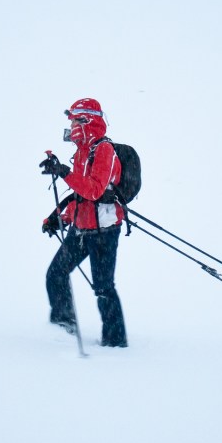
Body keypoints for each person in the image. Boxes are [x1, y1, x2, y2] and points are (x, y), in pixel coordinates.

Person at [39, 98, 128, 348]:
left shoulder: (104, 150)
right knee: (55, 274)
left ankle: (115, 344)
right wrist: (60, 217)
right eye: (71, 120)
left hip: (104, 231)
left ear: (88, 120)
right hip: (81, 229)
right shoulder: (81, 151)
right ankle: (64, 329)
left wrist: (64, 172)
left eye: (76, 120)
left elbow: (95, 192)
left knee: (103, 288)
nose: (72, 125)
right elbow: (80, 197)